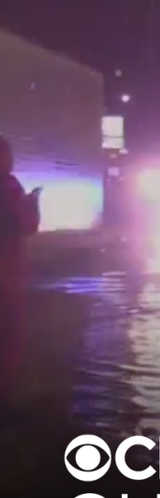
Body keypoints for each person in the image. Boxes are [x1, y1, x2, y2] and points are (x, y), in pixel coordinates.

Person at [0, 135, 40, 404]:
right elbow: (27, 224)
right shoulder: (9, 187)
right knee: (8, 337)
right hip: (6, 273)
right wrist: (33, 201)